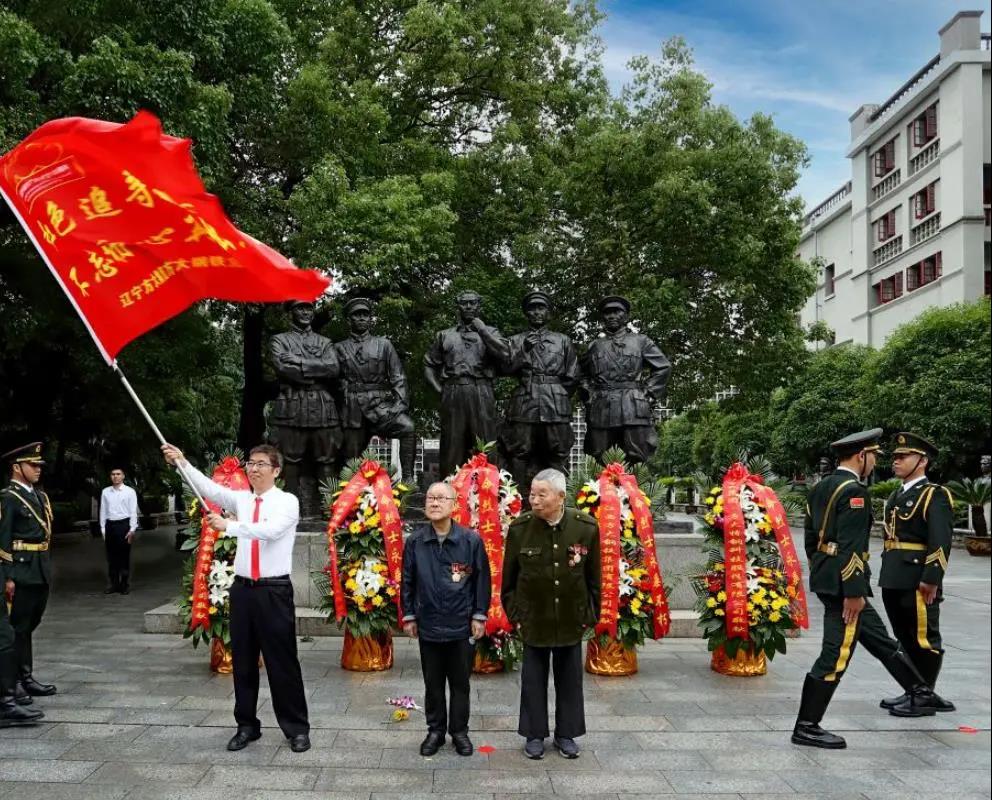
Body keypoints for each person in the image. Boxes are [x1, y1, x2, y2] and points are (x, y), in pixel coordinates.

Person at [792, 429, 937, 751]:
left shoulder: (821, 487)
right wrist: (854, 592)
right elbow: (852, 546)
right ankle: (807, 725)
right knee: (836, 652)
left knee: (880, 639)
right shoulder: (854, 492)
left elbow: (811, 539)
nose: (875, 463)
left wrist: (823, 570)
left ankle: (920, 691)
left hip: (828, 577)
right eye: (874, 456)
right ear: (862, 456)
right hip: (847, 587)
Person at [161, 442, 310, 753]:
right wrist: (182, 462)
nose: (253, 469)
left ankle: (296, 728)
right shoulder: (242, 499)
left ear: (276, 471)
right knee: (242, 661)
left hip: (273, 590)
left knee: (282, 662)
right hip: (243, 590)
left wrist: (229, 526)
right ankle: (246, 726)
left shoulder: (287, 502)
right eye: (251, 463)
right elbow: (209, 489)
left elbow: (269, 531)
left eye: (261, 464)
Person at [501, 469, 599, 760]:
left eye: (542, 494)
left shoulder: (585, 527)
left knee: (570, 679)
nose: (534, 499)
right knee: (533, 678)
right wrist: (516, 614)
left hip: (571, 615)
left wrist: (590, 614)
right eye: (532, 493)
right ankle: (534, 734)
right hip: (534, 617)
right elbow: (508, 581)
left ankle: (566, 734)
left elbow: (594, 578)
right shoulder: (521, 528)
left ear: (560, 497)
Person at [401, 482, 490, 757]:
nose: (434, 503)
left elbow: (481, 581)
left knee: (461, 683)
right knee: (433, 682)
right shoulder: (416, 541)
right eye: (430, 498)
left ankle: (459, 732)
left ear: (454, 505)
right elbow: (407, 581)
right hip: (428, 623)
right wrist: (409, 615)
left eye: (441, 498)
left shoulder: (470, 541)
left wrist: (479, 615)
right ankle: (435, 731)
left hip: (461, 624)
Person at [878, 433, 955, 715]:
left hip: (917, 577)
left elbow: (940, 540)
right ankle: (914, 689)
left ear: (922, 461)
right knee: (904, 635)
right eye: (895, 457)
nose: (896, 461)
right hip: (894, 575)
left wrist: (932, 577)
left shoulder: (934, 494)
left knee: (924, 636)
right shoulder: (897, 494)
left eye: (903, 457)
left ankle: (924, 695)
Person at [499, 291, 580, 492]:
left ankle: (559, 496)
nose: (536, 312)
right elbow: (505, 369)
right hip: (525, 400)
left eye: (541, 308)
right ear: (526, 313)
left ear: (549, 313)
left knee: (557, 451)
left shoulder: (563, 341)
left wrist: (557, 393)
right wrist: (524, 350)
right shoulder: (515, 340)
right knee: (520, 450)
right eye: (532, 309)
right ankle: (517, 499)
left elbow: (572, 375)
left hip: (555, 402)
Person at [268, 299, 341, 517]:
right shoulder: (279, 341)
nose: (306, 312)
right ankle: (289, 511)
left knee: (327, 459)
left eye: (309, 308)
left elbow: (334, 368)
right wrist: (316, 369)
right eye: (300, 308)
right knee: (289, 461)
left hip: (321, 406)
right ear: (290, 311)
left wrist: (298, 361)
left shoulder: (325, 342)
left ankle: (331, 510)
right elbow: (283, 369)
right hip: (292, 406)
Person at [424, 290, 509, 477]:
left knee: (485, 443)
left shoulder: (491, 332)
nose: (469, 307)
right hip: (453, 391)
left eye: (473, 303)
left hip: (482, 390)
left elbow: (504, 354)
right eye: (464, 303)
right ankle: (449, 493)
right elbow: (429, 365)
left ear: (479, 306)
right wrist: (441, 391)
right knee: (452, 444)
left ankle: (489, 493)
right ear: (458, 306)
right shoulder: (444, 335)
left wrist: (483, 331)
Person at [0, 442, 58, 706]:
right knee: (15, 628)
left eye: (39, 466)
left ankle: (26, 676)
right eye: (32, 465)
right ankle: (12, 684)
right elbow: (3, 539)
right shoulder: (8, 498)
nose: (38, 470)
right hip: (21, 570)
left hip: (39, 568)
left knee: (29, 626)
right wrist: (8, 575)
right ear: (16, 467)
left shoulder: (39, 496)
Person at [334, 297, 417, 481]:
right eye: (357, 315)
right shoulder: (338, 348)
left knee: (408, 428)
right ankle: (350, 496)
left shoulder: (384, 344)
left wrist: (399, 405)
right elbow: (332, 379)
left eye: (365, 314)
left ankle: (408, 480)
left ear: (371, 319)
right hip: (352, 408)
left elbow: (398, 376)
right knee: (350, 459)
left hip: (380, 405)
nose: (362, 318)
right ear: (349, 320)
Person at [581, 296, 670, 465]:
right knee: (599, 453)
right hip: (602, 406)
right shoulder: (594, 346)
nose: (612, 316)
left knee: (637, 452)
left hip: (633, 405)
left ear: (626, 317)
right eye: (607, 312)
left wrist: (648, 393)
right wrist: (588, 395)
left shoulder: (641, 341)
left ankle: (635, 491)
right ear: (602, 318)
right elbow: (580, 373)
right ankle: (600, 491)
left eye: (617, 311)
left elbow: (663, 367)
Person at [99, 467, 139, 594]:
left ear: (123, 476)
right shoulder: (105, 492)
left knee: (123, 555)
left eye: (118, 474)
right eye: (113, 474)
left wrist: (132, 529)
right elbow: (103, 510)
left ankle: (124, 584)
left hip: (124, 524)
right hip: (110, 525)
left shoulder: (130, 492)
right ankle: (113, 584)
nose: (115, 476)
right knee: (111, 556)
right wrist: (103, 528)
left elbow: (133, 511)